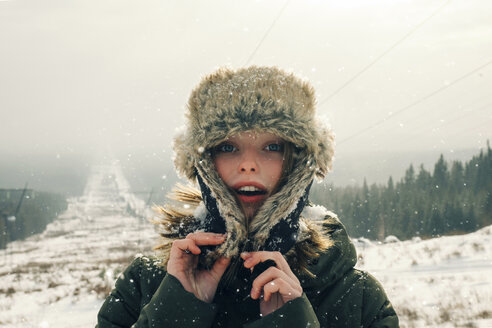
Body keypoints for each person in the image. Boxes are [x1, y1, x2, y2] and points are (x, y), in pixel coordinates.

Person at [96, 66, 399, 327]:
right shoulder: (146, 285)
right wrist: (176, 311)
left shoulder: (357, 299)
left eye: (272, 147)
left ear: (297, 162)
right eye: (228, 147)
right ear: (204, 162)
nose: (248, 164)